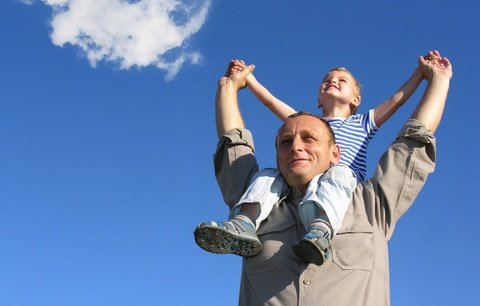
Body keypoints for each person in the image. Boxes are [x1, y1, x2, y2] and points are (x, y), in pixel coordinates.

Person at [197, 52, 451, 306]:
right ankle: (243, 223)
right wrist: (233, 85)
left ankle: (321, 228)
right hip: (266, 201)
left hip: (345, 183)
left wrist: (431, 78)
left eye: (309, 139)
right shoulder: (258, 195)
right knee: (266, 177)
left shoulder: (372, 205)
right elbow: (237, 140)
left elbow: (413, 136)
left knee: (338, 173)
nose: (296, 146)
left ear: (334, 151)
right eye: (285, 142)